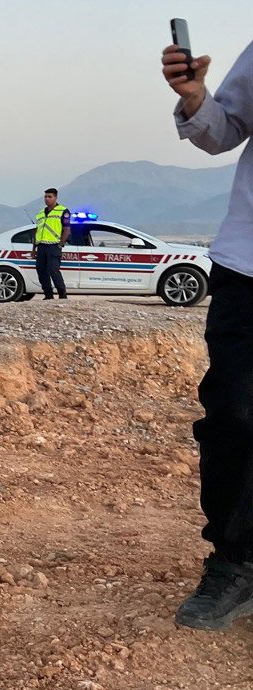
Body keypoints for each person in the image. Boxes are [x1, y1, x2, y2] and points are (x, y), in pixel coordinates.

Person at [163, 38, 253, 631]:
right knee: (234, 415)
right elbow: (224, 129)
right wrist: (196, 98)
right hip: (250, 266)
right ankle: (237, 560)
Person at [33, 188, 71, 300]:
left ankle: (62, 295)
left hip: (54, 246)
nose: (47, 199)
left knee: (53, 270)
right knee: (41, 271)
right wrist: (33, 248)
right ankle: (48, 295)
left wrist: (60, 244)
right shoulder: (40, 213)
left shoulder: (63, 211)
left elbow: (67, 229)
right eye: (45, 197)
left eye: (50, 196)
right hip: (41, 246)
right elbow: (37, 231)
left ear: (55, 197)